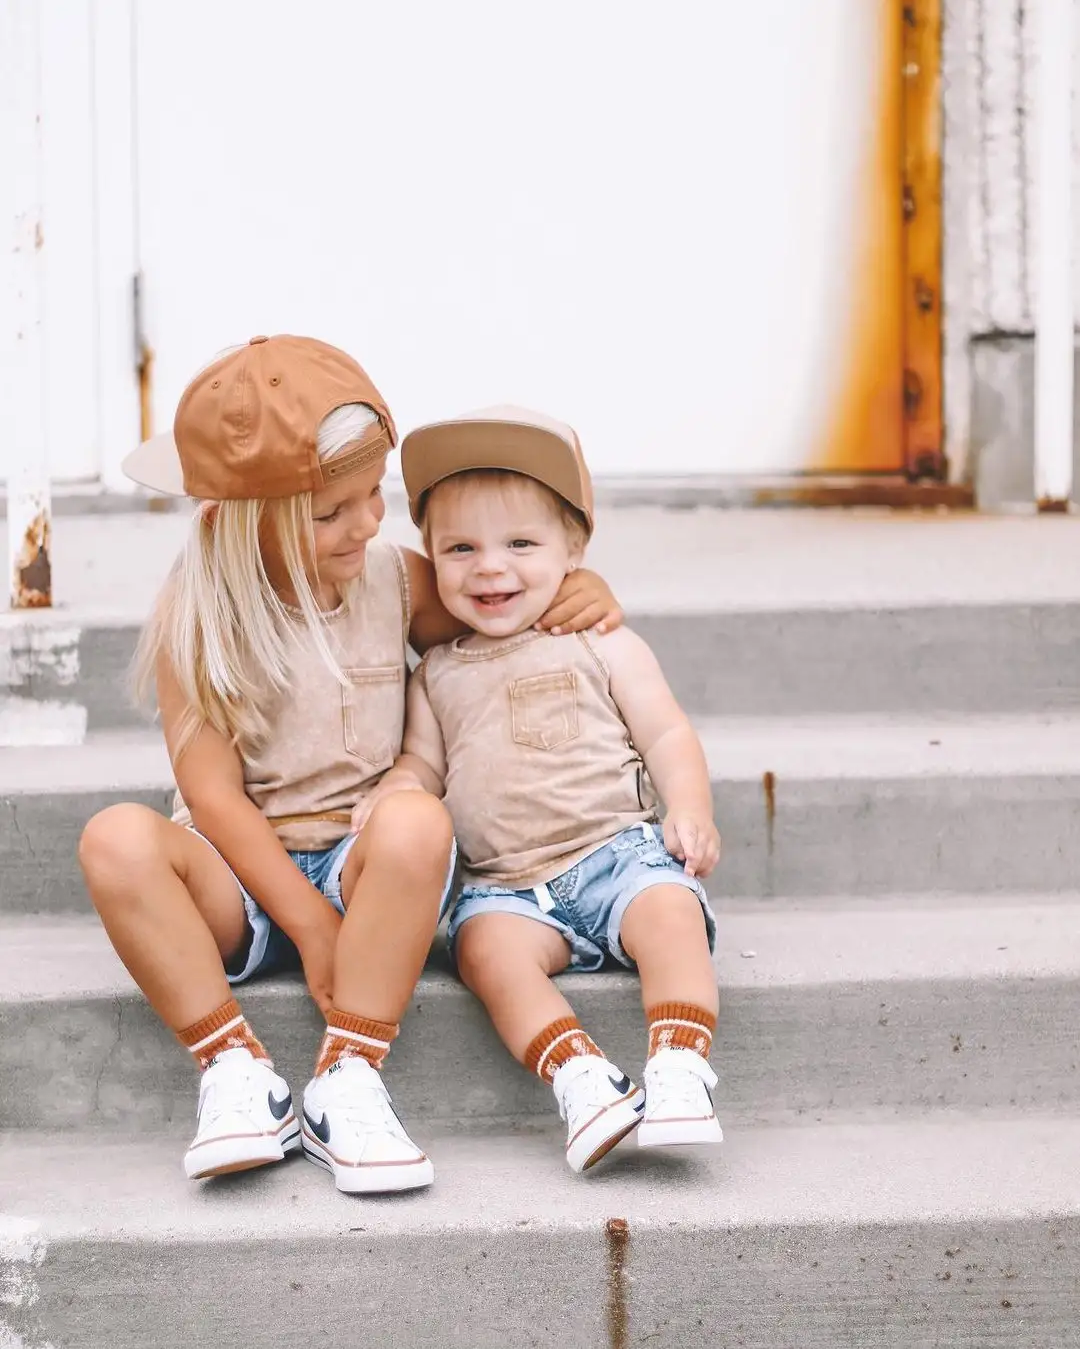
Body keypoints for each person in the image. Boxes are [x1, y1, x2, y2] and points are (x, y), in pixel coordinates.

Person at [77, 341, 622, 1194]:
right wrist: (308, 925)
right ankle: (235, 1072)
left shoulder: (392, 582)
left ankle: (349, 1078)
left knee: (417, 819)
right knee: (114, 839)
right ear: (238, 520)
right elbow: (213, 797)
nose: (369, 524)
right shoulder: (200, 615)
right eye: (334, 512)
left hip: (370, 866)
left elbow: (499, 600)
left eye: (376, 496)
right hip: (240, 877)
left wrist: (580, 594)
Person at [370, 405, 722, 1174]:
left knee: (669, 912)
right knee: (482, 952)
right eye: (460, 549)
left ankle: (679, 1065)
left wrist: (689, 807)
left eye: (521, 545)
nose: (489, 567)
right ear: (430, 558)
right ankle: (582, 1079)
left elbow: (665, 733)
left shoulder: (599, 640)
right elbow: (423, 768)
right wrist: (393, 797)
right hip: (508, 890)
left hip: (615, 855)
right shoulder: (435, 673)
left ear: (575, 550)